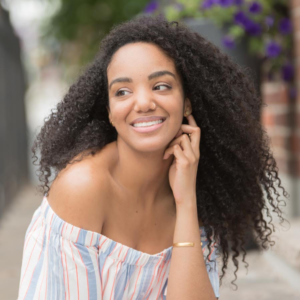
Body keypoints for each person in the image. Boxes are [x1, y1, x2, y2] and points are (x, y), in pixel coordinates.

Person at [17, 14, 288, 300]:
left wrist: (185, 203)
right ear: (109, 111)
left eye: (161, 86)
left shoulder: (198, 188)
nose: (144, 103)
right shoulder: (83, 188)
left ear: (187, 103)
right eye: (122, 92)